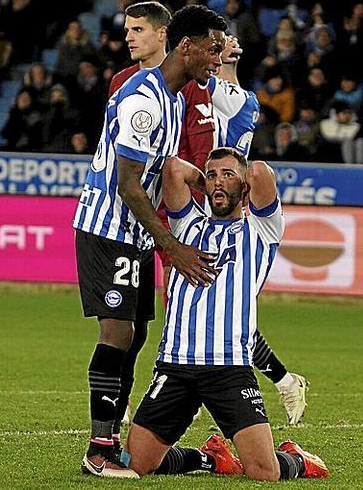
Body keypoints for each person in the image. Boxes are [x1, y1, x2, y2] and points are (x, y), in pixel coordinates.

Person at [109, 1, 309, 427]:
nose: (130, 37)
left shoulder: (209, 85)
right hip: (153, 208)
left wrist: (213, 190)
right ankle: (282, 379)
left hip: (204, 210)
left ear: (166, 36)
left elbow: (242, 130)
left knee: (211, 311)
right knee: (162, 314)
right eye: (128, 30)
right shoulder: (127, 84)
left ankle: (165, 396)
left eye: (138, 29)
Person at [72, 4, 227, 478]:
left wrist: (203, 181)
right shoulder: (144, 98)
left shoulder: (175, 98)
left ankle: (112, 441)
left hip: (135, 233)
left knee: (135, 335)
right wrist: (171, 247)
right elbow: (129, 185)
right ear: (187, 45)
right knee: (117, 332)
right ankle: (99, 449)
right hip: (108, 228)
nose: (217, 58)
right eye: (213, 48)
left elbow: (163, 167)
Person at [126, 147, 329, 481]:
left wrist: (237, 178)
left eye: (227, 175)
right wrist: (212, 183)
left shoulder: (262, 231)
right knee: (137, 464)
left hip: (229, 368)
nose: (217, 182)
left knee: (264, 472)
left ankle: (299, 460)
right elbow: (174, 169)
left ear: (244, 187)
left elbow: (261, 172)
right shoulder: (186, 225)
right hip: (176, 366)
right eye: (211, 175)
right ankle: (210, 459)